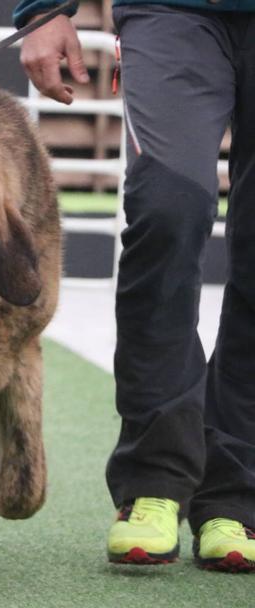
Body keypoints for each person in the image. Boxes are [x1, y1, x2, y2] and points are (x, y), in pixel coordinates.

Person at [15, 0, 255, 571]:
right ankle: (155, 482)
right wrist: (44, 9)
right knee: (166, 210)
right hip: (174, 11)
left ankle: (238, 491)